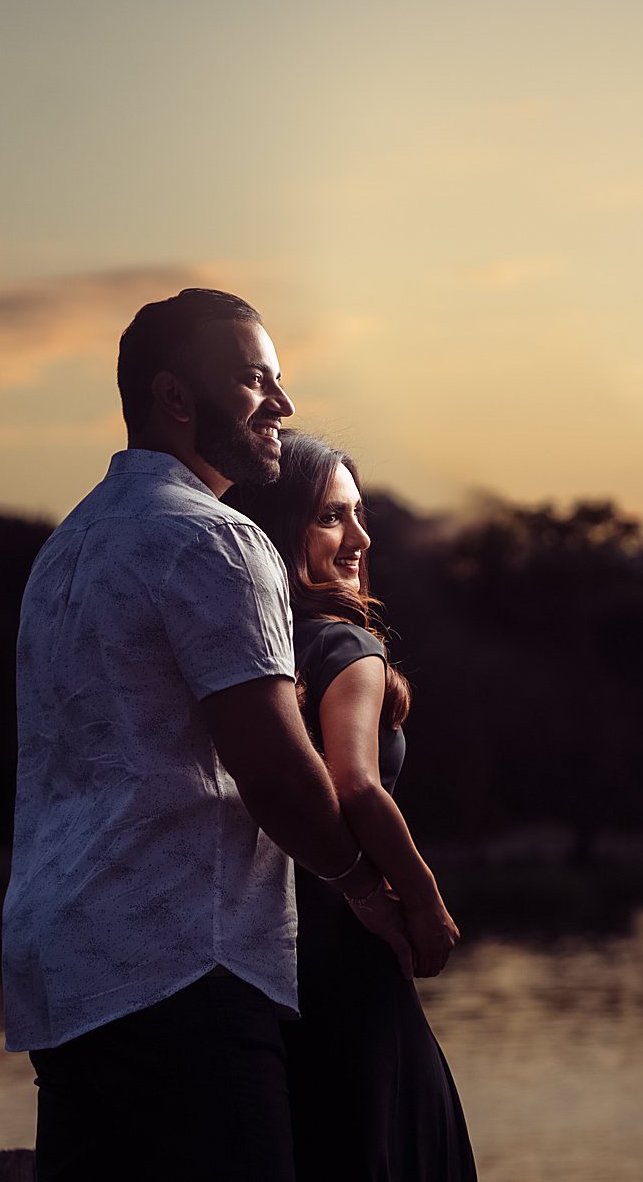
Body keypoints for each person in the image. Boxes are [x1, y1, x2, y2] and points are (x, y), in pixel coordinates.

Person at [2, 288, 449, 1181]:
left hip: (64, 980)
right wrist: (366, 884)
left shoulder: (69, 548)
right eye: (254, 381)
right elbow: (278, 774)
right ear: (174, 399)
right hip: (184, 972)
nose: (281, 404)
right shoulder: (213, 538)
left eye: (278, 381)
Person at [227, 433, 476, 1181]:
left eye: (359, 514)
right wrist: (426, 902)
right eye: (333, 515)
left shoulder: (248, 656)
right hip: (354, 965)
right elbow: (356, 784)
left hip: (270, 966)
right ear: (283, 528)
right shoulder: (344, 647)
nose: (360, 538)